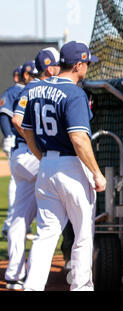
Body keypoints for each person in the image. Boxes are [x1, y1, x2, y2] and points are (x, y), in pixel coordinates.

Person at [21, 41, 107, 291]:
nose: (88, 68)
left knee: (45, 235)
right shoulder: (74, 93)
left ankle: (32, 287)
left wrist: (42, 158)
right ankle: (81, 288)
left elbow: (26, 130)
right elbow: (79, 138)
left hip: (47, 165)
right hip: (71, 167)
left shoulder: (36, 88)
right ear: (78, 64)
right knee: (82, 236)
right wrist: (97, 174)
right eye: (87, 63)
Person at [3, 50, 61, 290]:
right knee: (64, 207)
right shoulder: (46, 89)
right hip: (35, 155)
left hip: (19, 158)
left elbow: (14, 118)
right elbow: (14, 120)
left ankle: (14, 274)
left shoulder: (26, 90)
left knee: (19, 216)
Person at [0, 66, 24, 238]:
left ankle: (17, 223)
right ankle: (10, 223)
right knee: (17, 182)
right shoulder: (14, 91)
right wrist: (8, 136)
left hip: (26, 144)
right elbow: (4, 114)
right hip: (19, 143)